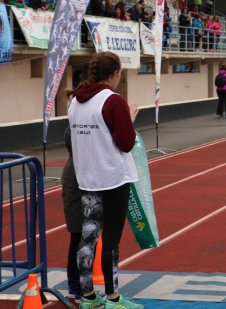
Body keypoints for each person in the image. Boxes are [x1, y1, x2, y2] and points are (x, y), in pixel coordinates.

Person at [67, 51, 143, 309]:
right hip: (113, 179)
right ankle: (113, 298)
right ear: (115, 73)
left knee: (87, 237)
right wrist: (129, 122)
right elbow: (126, 143)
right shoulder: (113, 101)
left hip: (87, 178)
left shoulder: (75, 102)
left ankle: (87, 296)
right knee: (111, 239)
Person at [60, 126, 83, 301]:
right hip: (75, 186)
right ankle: (75, 284)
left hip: (81, 181)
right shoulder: (73, 129)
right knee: (77, 237)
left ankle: (79, 282)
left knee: (84, 238)